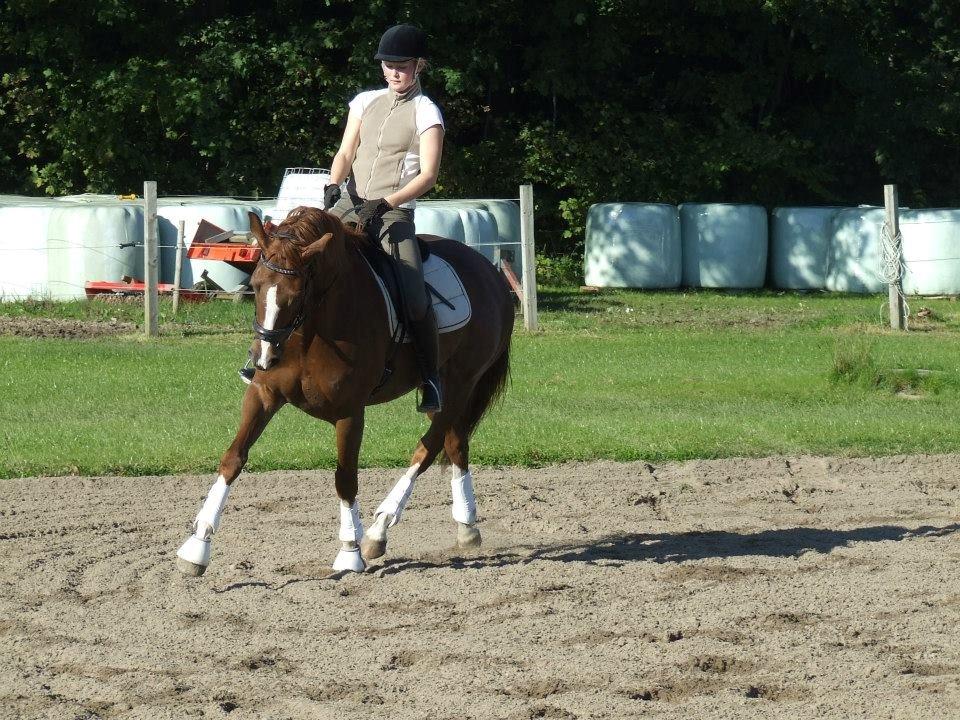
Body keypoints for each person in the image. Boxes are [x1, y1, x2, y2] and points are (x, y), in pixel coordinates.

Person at [241, 23, 445, 414]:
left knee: (414, 293)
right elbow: (346, 151)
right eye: (387, 65)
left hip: (393, 212)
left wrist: (386, 202)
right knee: (290, 269)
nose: (393, 72)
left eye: (401, 65)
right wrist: (334, 186)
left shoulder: (426, 111)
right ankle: (265, 358)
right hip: (347, 204)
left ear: (419, 66)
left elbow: (429, 175)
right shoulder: (365, 101)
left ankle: (431, 378)